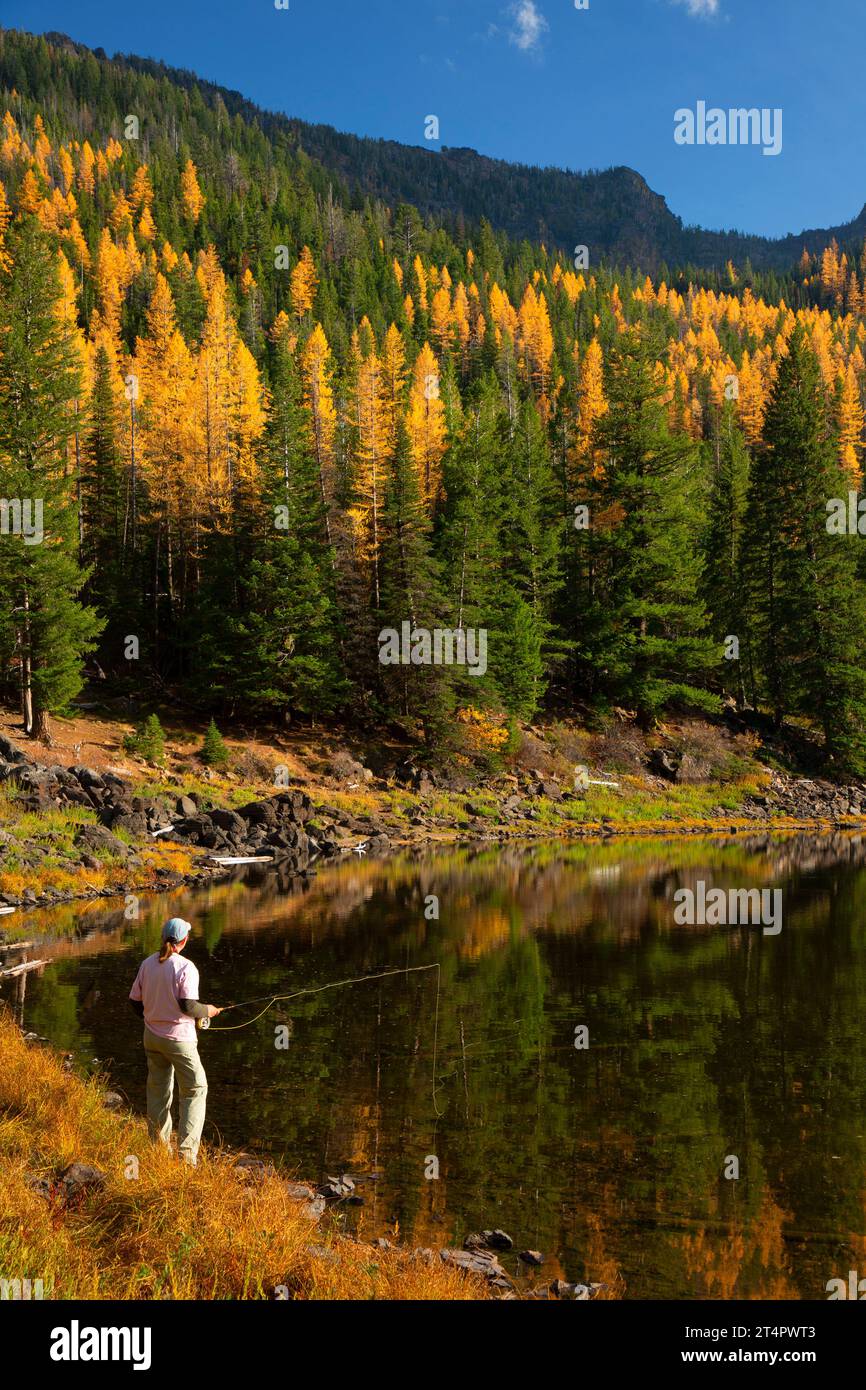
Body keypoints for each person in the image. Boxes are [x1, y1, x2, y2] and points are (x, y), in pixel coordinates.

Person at [128, 917, 222, 1166]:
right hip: (179, 1041)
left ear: (163, 938)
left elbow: (135, 1002)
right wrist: (209, 1010)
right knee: (195, 1090)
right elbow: (188, 1006)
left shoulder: (147, 963)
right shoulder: (186, 967)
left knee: (158, 1091)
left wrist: (151, 1020)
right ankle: (186, 1158)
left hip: (152, 1038)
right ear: (184, 940)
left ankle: (158, 1151)